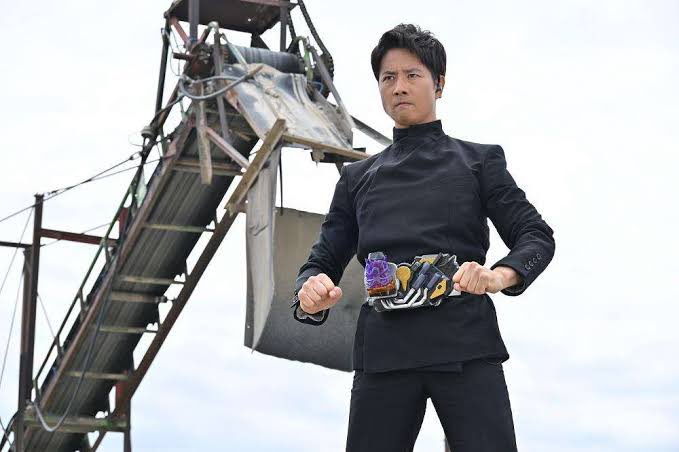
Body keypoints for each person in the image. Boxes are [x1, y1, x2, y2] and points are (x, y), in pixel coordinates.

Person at [290, 23, 555, 452]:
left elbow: (536, 236)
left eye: (412, 75)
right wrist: (309, 290)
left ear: (439, 84)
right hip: (383, 353)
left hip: (465, 343)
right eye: (388, 77)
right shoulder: (356, 179)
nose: (399, 87)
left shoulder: (479, 161)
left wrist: (497, 276)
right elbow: (320, 263)